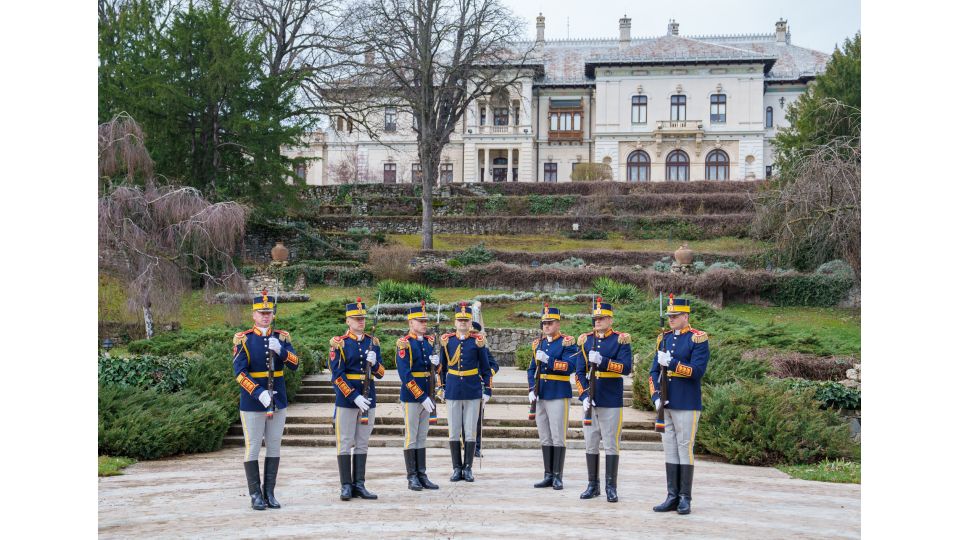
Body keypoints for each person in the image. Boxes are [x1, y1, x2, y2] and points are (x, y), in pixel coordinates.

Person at [233, 290, 300, 510]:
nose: (265, 316)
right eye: (261, 313)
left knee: (273, 446)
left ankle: (269, 493)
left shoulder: (281, 337)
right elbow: (240, 373)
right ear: (253, 315)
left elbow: (294, 364)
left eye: (268, 313)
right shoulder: (244, 339)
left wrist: (281, 351)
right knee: (252, 447)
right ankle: (255, 494)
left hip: (278, 401)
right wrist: (259, 392)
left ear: (273, 315)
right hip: (253, 402)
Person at [649, 296, 709, 515]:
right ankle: (671, 496)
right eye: (670, 316)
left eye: (675, 316)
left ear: (686, 316)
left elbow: (697, 372)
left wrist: (673, 364)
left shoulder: (697, 339)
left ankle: (685, 497)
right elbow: (653, 372)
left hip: (686, 402)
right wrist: (655, 396)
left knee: (685, 448)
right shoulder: (663, 339)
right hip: (666, 403)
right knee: (670, 450)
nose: (671, 319)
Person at [574, 297, 633, 503]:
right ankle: (592, 485)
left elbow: (626, 368)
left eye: (601, 318)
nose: (597, 321)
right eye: (595, 318)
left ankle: (611, 486)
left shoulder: (620, 339)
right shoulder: (586, 340)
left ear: (610, 320)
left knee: (610, 444)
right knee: (590, 443)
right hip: (591, 398)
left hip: (610, 398)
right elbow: (579, 372)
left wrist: (604, 362)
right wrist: (583, 395)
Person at [329, 298, 386, 501]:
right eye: (356, 318)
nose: (360, 322)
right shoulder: (340, 344)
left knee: (362, 442)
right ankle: (346, 485)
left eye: (362, 318)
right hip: (347, 399)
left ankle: (359, 484)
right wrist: (354, 396)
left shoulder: (373, 342)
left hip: (369, 397)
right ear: (348, 321)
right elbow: (337, 375)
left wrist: (375, 362)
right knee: (345, 442)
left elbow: (380, 373)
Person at [437, 302, 492, 482]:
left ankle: (467, 468)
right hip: (453, 389)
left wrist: (487, 390)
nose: (462, 323)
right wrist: (442, 387)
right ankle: (456, 468)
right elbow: (442, 368)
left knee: (470, 431)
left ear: (470, 322)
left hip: (472, 389)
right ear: (455, 322)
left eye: (465, 320)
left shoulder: (477, 342)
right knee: (453, 431)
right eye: (460, 320)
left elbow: (485, 367)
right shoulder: (447, 341)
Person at [526, 303, 579, 490]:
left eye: (550, 323)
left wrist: (550, 361)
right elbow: (531, 369)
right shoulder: (538, 344)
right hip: (541, 394)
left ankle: (558, 475)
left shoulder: (567, 342)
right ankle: (547, 474)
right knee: (545, 436)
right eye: (544, 323)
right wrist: (532, 388)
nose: (546, 326)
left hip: (558, 392)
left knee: (558, 436)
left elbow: (570, 367)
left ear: (558, 323)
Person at [395, 302, 440, 491]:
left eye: (425, 321)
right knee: (411, 437)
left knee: (422, 436)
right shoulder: (404, 343)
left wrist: (438, 364)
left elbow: (434, 370)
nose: (424, 324)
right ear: (410, 323)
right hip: (413, 396)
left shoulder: (430, 342)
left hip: (428, 394)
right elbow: (405, 374)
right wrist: (421, 396)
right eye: (420, 321)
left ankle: (422, 474)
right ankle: (411, 476)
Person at [473, 320, 498, 458]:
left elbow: (494, 366)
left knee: (477, 420)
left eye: (475, 333)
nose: (473, 335)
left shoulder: (484, 349)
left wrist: (485, 376)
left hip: (478, 386)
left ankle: (476, 447)